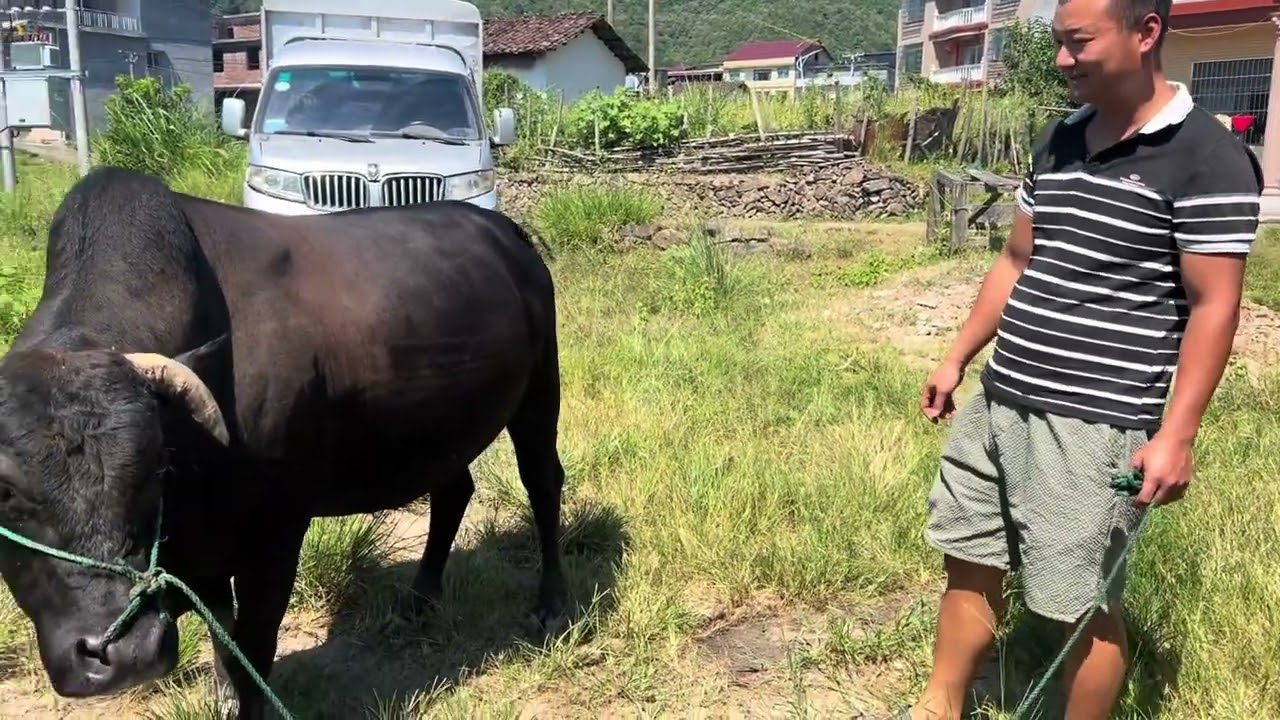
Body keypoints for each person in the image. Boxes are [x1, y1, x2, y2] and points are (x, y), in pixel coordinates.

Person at [903, 0, 1263, 718]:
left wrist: (1178, 434)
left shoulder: (1207, 156)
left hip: (1096, 423)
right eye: (1059, 43)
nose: (1064, 59)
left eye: (1080, 43)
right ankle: (939, 705)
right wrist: (959, 358)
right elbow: (1016, 260)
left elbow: (1214, 305)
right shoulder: (1060, 138)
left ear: (1146, 33)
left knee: (1079, 605)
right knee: (969, 559)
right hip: (1003, 398)